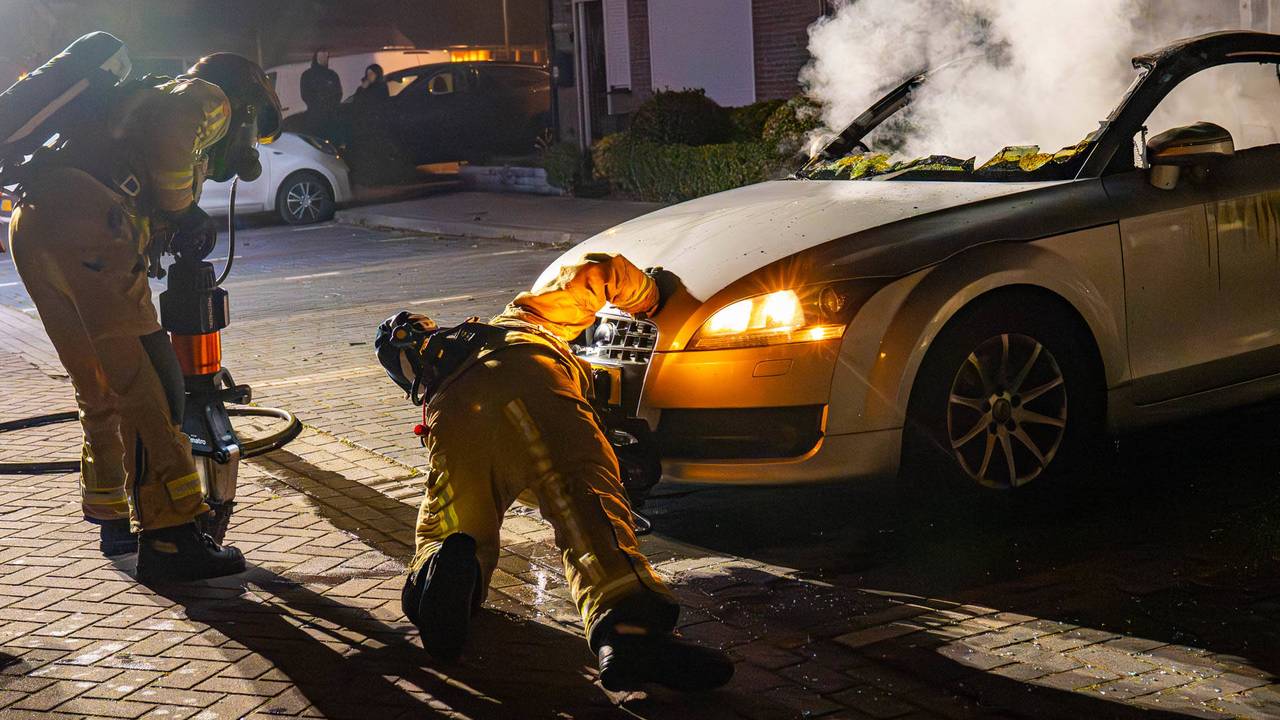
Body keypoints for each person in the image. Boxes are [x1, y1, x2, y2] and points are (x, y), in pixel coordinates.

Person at [375, 253, 734, 692]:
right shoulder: (517, 319)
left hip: (455, 418)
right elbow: (595, 273)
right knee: (583, 507)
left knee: (451, 523)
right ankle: (627, 631)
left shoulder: (437, 395)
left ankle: (442, 581)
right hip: (532, 376)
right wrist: (651, 296)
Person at [6, 53, 282, 581]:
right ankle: (172, 534)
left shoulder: (137, 98)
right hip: (90, 221)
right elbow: (175, 131)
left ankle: (113, 513)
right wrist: (184, 210)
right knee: (151, 381)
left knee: (99, 379)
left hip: (35, 223)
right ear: (243, 104)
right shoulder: (205, 97)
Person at [299, 50, 342, 115]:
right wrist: (320, 105)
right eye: (321, 56)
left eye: (326, 56)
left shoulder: (332, 74)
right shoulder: (307, 75)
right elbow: (306, 95)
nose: (324, 58)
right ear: (315, 58)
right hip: (315, 115)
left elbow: (338, 93)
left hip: (332, 113)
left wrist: (330, 106)